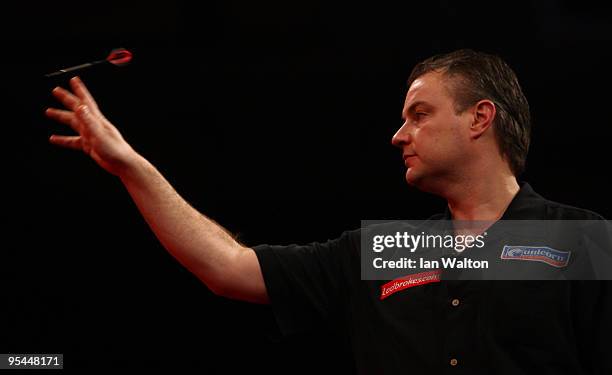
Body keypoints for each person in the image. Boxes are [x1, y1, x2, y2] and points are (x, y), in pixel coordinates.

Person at [45, 49, 610, 374]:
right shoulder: (388, 250)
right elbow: (229, 268)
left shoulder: (583, 242)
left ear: (479, 118)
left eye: (418, 114)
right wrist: (130, 165)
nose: (398, 135)